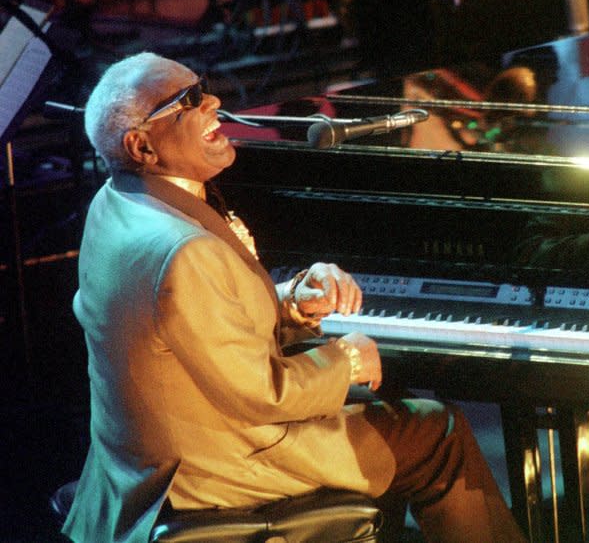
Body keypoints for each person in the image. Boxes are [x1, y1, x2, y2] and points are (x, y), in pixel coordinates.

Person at [62, 52, 526, 543]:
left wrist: (293, 303)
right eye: (188, 102)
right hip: (218, 465)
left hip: (144, 462)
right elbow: (263, 393)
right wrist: (345, 360)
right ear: (142, 146)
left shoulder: (117, 203)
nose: (213, 103)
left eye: (205, 88)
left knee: (390, 413)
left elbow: (192, 322)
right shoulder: (184, 250)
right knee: (437, 434)